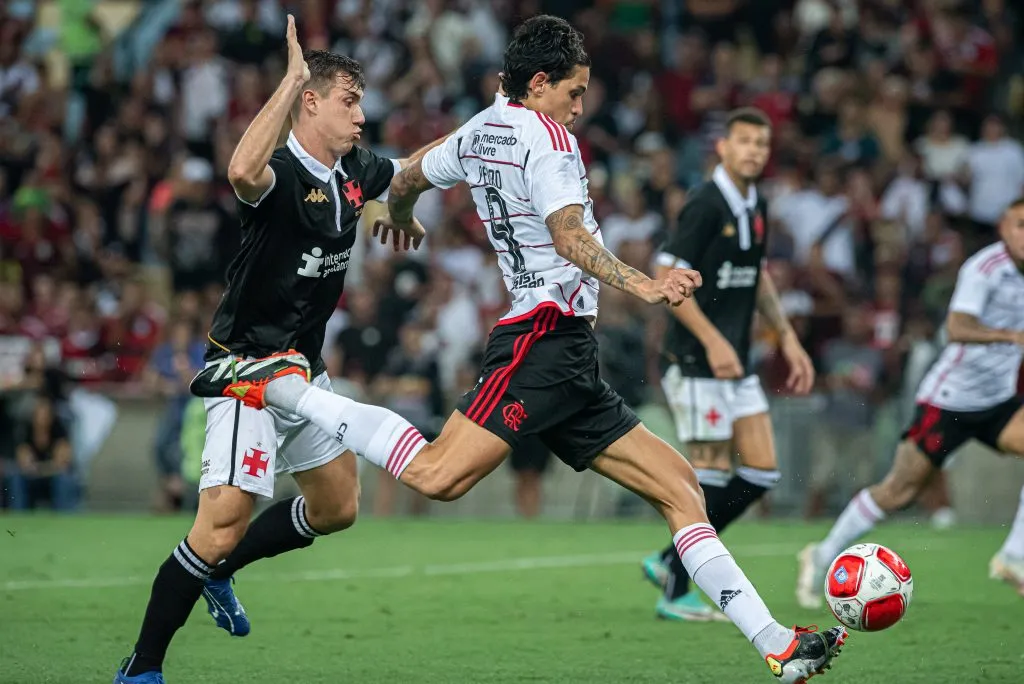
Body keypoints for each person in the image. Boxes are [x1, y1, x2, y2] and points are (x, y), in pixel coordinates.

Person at [195, 17, 846, 682]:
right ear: (540, 83)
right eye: (575, 90)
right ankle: (286, 389)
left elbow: (417, 170)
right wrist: (644, 284)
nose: (580, 105)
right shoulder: (551, 139)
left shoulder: (482, 128)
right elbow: (568, 236)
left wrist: (396, 210)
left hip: (570, 357)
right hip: (541, 334)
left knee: (683, 491)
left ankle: (777, 646)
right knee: (436, 475)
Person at [113, 16, 439, 683]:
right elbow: (240, 170)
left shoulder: (355, 171)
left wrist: (471, 148)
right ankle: (142, 667)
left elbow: (408, 170)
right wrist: (288, 76)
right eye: (349, 101)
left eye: (363, 103)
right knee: (220, 526)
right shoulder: (281, 171)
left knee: (337, 508)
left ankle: (220, 575)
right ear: (310, 102)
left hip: (304, 370)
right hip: (247, 369)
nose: (362, 115)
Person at [796, 197, 1024, 609]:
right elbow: (957, 327)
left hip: (999, 400)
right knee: (898, 491)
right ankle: (822, 553)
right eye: (1020, 225)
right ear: (1004, 229)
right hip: (948, 400)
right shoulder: (984, 269)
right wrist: (1010, 337)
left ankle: (1015, 556)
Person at [638, 108, 816, 622]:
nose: (754, 151)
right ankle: (674, 591)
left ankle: (670, 559)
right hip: (696, 360)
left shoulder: (755, 202)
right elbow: (666, 275)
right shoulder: (705, 203)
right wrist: (714, 342)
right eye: (744, 142)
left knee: (761, 471)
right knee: (709, 474)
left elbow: (756, 275)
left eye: (762, 143)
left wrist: (788, 338)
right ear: (723, 147)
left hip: (735, 362)